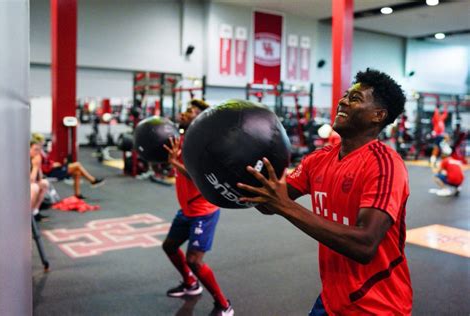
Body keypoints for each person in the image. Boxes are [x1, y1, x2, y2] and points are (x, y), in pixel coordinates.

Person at [238, 69, 412, 315]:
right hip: (332, 298)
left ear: (378, 115)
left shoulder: (385, 165)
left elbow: (364, 245)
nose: (342, 101)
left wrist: (284, 206)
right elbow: (269, 202)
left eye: (355, 98)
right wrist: (241, 166)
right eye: (345, 96)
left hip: (376, 305)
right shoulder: (318, 160)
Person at [162, 99, 233, 316]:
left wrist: (173, 163)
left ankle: (224, 305)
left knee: (194, 260)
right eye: (186, 109)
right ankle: (190, 284)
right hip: (186, 209)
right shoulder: (182, 139)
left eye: (191, 111)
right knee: (170, 246)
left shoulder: (204, 145)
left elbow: (198, 176)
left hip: (204, 210)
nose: (185, 112)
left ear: (201, 118)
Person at [31, 133, 105, 199]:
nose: (43, 142)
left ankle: (77, 194)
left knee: (77, 172)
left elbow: (46, 162)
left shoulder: (40, 151)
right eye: (42, 140)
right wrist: (52, 166)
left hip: (52, 169)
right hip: (51, 172)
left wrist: (53, 164)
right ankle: (92, 180)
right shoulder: (37, 153)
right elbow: (42, 167)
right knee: (77, 165)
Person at [30, 139, 50, 221]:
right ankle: (27, 216)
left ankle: (35, 211)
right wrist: (35, 167)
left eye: (39, 150)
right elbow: (31, 181)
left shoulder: (35, 159)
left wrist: (38, 167)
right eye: (35, 149)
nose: (37, 152)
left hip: (32, 182)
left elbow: (40, 178)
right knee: (35, 187)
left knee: (44, 183)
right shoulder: (25, 160)